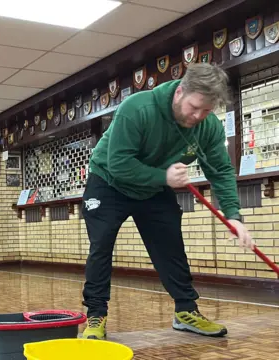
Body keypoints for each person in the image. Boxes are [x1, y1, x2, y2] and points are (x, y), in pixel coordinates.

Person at [80, 63, 254, 340]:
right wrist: (164, 176)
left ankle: (186, 311)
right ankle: (96, 315)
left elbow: (220, 170)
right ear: (179, 92)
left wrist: (233, 214)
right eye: (194, 107)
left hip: (155, 187)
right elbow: (119, 164)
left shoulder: (207, 126)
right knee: (101, 246)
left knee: (171, 247)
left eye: (206, 110)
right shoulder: (138, 108)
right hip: (109, 182)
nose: (198, 116)